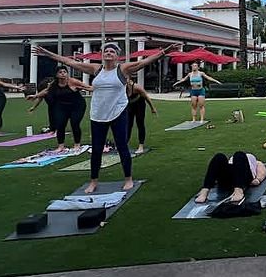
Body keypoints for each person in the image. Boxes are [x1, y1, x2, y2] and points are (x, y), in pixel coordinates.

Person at [32, 42, 175, 193]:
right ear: (102, 55)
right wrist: (48, 53)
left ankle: (128, 178)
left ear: (117, 56)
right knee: (97, 149)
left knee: (122, 147)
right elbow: (70, 62)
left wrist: (164, 51)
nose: (108, 53)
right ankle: (93, 181)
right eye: (106, 51)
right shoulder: (96, 69)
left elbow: (143, 62)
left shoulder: (122, 69)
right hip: (98, 114)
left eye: (112, 51)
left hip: (118, 113)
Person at [27, 67, 91, 151]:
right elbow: (46, 91)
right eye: (60, 72)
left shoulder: (73, 81)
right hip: (62, 106)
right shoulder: (54, 84)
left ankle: (77, 144)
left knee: (74, 123)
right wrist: (35, 96)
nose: (63, 73)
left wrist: (99, 90)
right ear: (56, 74)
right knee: (60, 125)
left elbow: (88, 87)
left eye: (65, 72)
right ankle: (61, 146)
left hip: (77, 106)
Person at [194, 150, 266, 205]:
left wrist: (258, 179)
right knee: (219, 156)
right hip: (229, 177)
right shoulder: (233, 160)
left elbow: (263, 169)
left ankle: (238, 191)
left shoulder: (253, 161)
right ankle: (205, 191)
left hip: (244, 178)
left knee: (239, 154)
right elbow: (215, 167)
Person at [126, 80, 157, 155]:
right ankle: (124, 143)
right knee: (128, 124)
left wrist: (153, 108)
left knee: (140, 123)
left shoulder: (137, 87)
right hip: (130, 105)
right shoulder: (121, 87)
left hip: (140, 105)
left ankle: (141, 146)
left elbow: (146, 97)